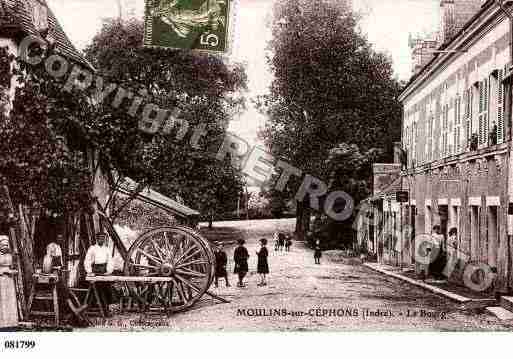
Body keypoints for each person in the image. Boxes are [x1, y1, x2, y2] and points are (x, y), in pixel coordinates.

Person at [84, 233, 114, 315]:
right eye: (100, 238)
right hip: (95, 271)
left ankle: (106, 308)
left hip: (104, 271)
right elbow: (87, 260)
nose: (102, 240)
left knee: (107, 288)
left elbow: (110, 261)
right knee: (96, 288)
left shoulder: (107, 249)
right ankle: (96, 308)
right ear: (97, 239)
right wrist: (89, 271)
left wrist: (108, 271)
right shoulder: (92, 248)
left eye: (103, 238)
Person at [0, 235, 18, 329]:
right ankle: (2, 323)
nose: (5, 247)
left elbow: (12, 266)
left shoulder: (9, 255)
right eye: (3, 245)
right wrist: (3, 271)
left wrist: (13, 271)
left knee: (10, 300)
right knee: (2, 301)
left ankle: (11, 322)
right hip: (1, 279)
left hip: (9, 280)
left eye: (6, 245)